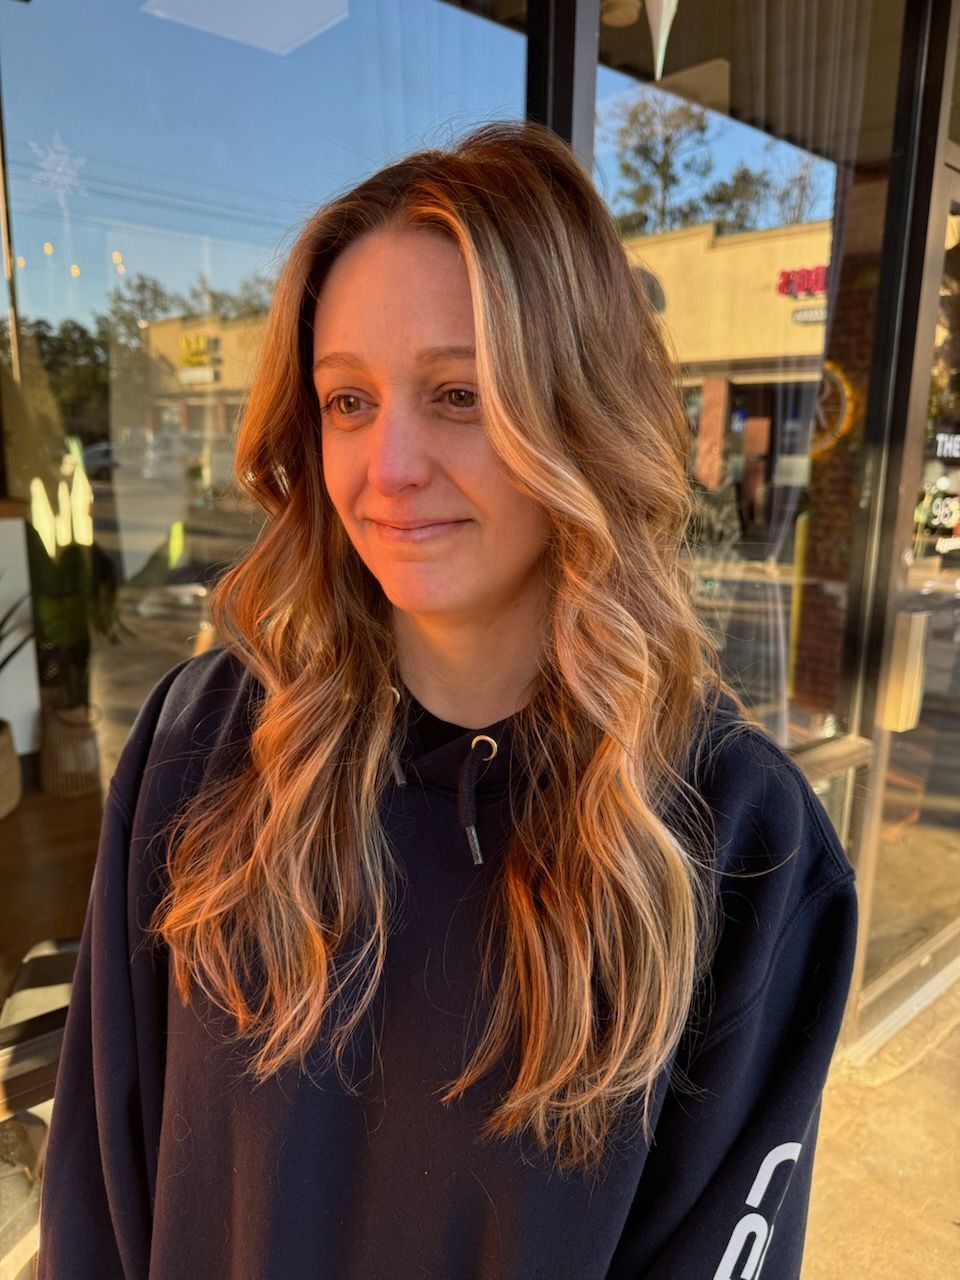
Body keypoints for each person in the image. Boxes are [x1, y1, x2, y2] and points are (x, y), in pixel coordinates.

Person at [37, 121, 857, 1280]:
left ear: (578, 409)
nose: (391, 466)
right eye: (349, 401)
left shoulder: (734, 845)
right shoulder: (201, 746)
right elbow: (93, 1206)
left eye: (460, 393)